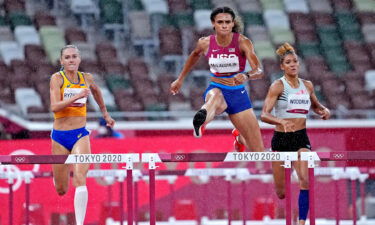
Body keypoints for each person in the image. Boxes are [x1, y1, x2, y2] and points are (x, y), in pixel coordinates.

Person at [170, 6, 264, 152]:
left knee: (258, 151)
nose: (224, 25)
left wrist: (246, 75)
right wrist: (180, 79)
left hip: (238, 94)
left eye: (228, 22)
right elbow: (194, 55)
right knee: (214, 98)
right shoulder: (205, 43)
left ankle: (239, 137)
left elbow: (259, 70)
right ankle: (201, 120)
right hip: (217, 87)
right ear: (213, 23)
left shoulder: (243, 42)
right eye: (220, 22)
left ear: (233, 23)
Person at [260, 43, 330, 224]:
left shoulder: (307, 86)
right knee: (281, 193)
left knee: (305, 180)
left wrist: (323, 110)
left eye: (295, 62)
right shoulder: (277, 86)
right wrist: (280, 121)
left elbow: (315, 106)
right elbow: (264, 115)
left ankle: (301, 221)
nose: (293, 65)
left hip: (300, 138)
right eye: (288, 62)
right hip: (281, 139)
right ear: (282, 66)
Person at [49, 45, 115, 225]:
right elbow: (54, 107)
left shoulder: (87, 78)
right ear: (62, 61)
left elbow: (97, 92)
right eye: (67, 57)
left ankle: (79, 223)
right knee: (61, 189)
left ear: (79, 59)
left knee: (80, 178)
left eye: (74, 57)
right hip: (60, 136)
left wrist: (105, 114)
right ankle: (58, 178)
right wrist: (76, 96)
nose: (71, 60)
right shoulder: (57, 79)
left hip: (80, 134)